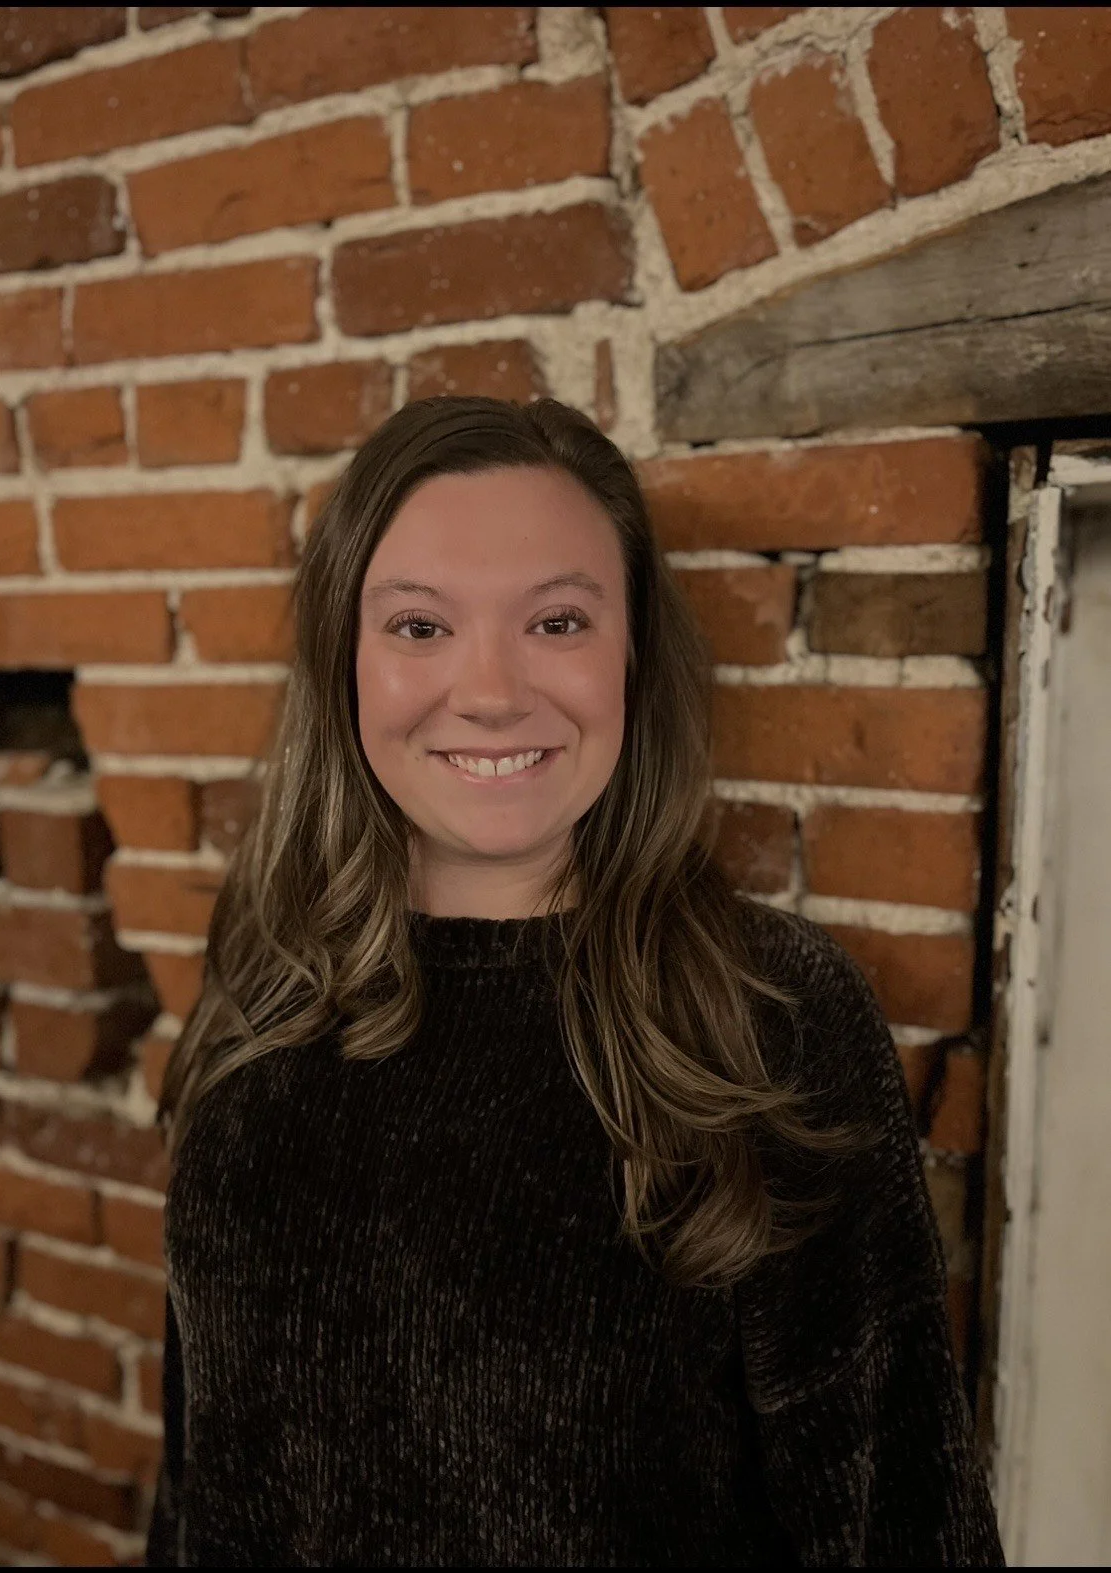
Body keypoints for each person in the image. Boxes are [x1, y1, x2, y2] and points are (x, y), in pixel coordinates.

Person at [145, 396, 1004, 1567]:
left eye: (555, 620)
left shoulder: (767, 1015)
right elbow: (198, 1490)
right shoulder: (266, 990)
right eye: (418, 627)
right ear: (341, 658)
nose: (491, 690)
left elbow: (897, 1523)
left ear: (632, 654)